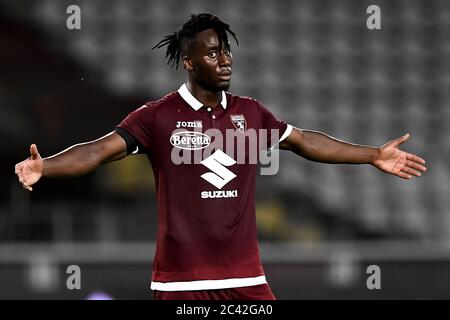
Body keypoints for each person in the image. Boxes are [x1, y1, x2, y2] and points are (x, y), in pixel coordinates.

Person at [14, 13, 427, 300]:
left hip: (247, 279)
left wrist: (372, 154)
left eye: (225, 50)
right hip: (181, 283)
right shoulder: (157, 117)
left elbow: (303, 141)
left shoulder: (251, 113)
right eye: (212, 53)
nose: (224, 59)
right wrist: (45, 166)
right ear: (190, 62)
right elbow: (99, 151)